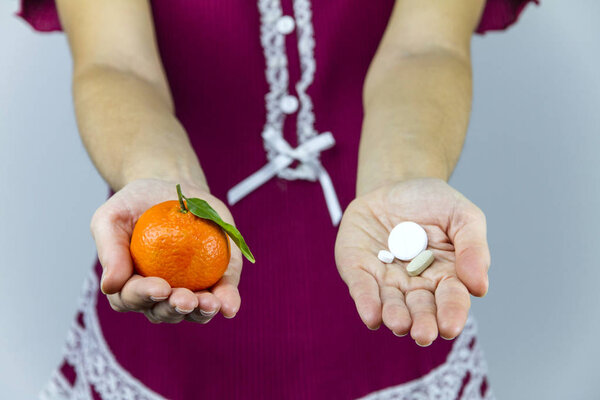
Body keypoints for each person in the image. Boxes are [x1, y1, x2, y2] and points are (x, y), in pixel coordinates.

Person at [18, 0, 536, 399]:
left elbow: (426, 48)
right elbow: (116, 62)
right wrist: (168, 195)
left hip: (387, 291)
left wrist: (403, 177)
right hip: (173, 283)